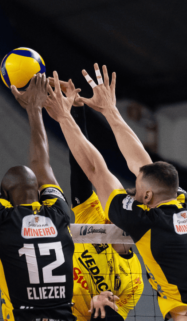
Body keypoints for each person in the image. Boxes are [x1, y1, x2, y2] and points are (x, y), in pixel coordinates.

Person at [43, 65, 187, 321]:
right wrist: (110, 111)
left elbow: (94, 169)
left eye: (137, 190)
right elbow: (144, 166)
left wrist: (64, 117)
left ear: (147, 198)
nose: (132, 192)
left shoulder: (145, 221)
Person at [0, 71, 75, 321]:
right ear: (39, 192)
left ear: (4, 196)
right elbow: (42, 163)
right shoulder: (59, 213)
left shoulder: (2, 219)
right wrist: (34, 110)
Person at [66, 106, 144, 321]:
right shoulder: (96, 218)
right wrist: (75, 111)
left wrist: (100, 306)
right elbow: (81, 167)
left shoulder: (134, 279)